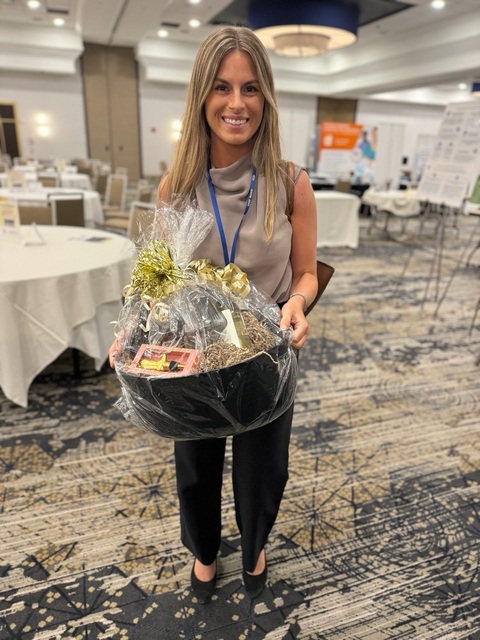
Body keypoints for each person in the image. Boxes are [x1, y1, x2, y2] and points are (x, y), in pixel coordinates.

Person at [109, 25, 317, 604]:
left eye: (250, 89)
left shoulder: (290, 183)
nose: (236, 103)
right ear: (201, 95)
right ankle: (204, 551)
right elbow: (156, 278)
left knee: (263, 467)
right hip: (192, 353)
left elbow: (305, 272)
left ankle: (253, 546)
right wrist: (133, 330)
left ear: (266, 98)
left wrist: (298, 301)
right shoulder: (176, 186)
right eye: (222, 87)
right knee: (196, 462)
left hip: (267, 351)